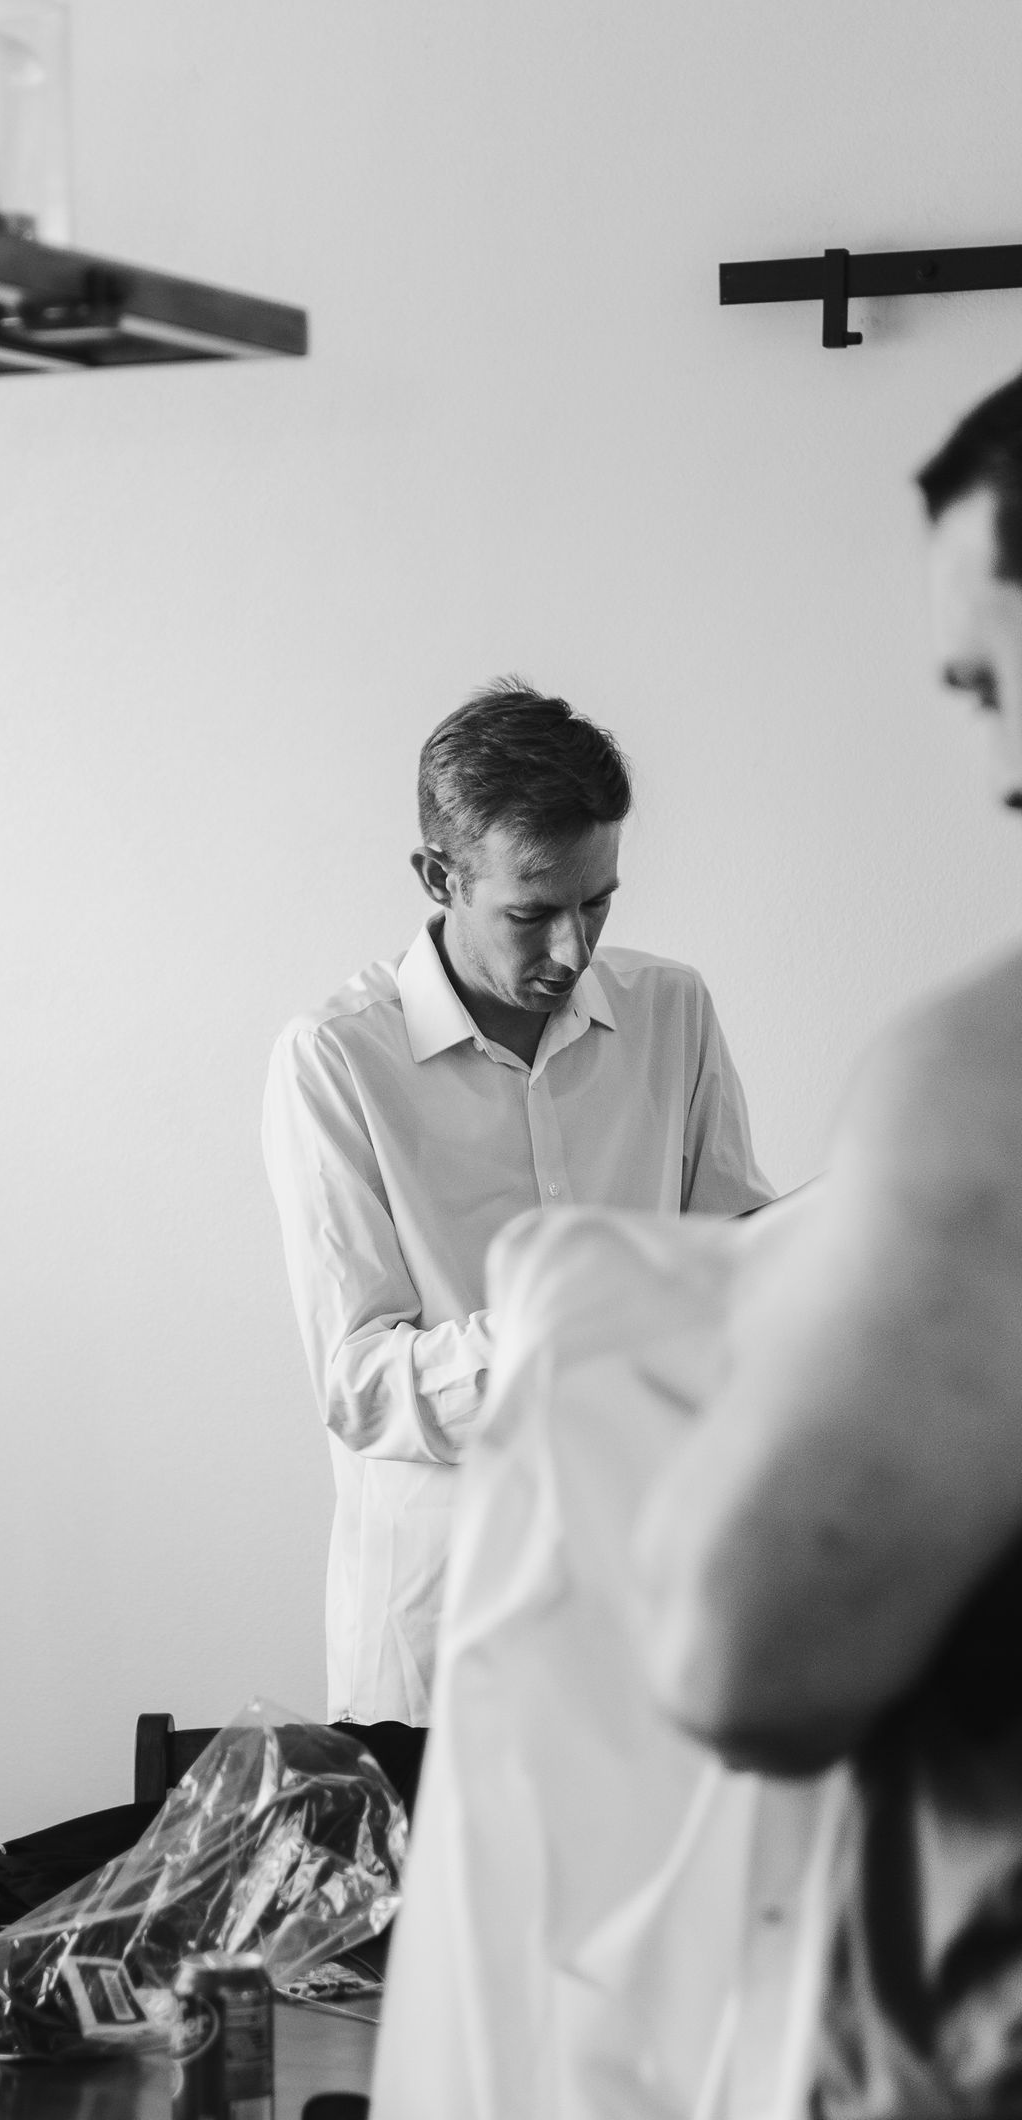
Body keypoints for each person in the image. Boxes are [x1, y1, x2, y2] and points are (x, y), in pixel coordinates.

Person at [636, 368, 1022, 2110]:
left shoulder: (981, 1088)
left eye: (994, 680)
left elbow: (742, 1658)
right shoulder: (326, 1066)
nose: (1000, 760)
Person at [262, 679, 770, 1806]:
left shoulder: (673, 1014)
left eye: (599, 902)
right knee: (431, 1985)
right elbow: (360, 1383)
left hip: (653, 1623)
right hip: (441, 1662)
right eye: (533, 911)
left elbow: (731, 1270)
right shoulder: (335, 1062)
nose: (573, 944)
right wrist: (581, 1320)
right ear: (439, 879)